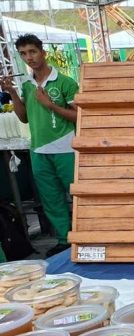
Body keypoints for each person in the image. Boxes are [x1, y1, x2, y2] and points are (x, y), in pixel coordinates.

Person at [1, 34, 79, 256]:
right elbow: (24, 117)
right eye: (23, 54)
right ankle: (65, 240)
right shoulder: (26, 85)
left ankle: (87, 235)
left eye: (32, 52)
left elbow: (80, 116)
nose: (29, 58)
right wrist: (13, 94)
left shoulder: (65, 82)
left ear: (43, 52)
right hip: (38, 150)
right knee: (51, 198)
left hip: (66, 148)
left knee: (78, 194)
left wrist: (51, 105)